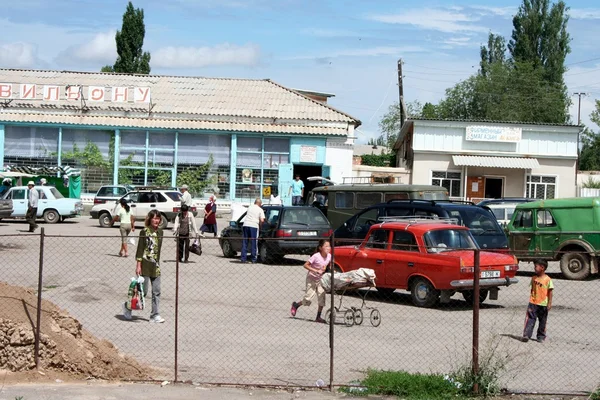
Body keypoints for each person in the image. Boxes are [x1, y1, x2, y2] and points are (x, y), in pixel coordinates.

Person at [126, 210, 165, 323]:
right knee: (143, 291)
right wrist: (138, 265)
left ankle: (155, 314)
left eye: (158, 218)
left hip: (156, 266)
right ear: (150, 219)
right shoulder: (144, 231)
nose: (156, 221)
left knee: (156, 291)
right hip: (145, 265)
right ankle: (128, 307)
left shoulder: (161, 232)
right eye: (154, 218)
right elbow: (140, 249)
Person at [290, 239, 332, 323]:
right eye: (326, 246)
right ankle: (296, 305)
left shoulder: (330, 256)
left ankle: (318, 317)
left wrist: (330, 272)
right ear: (320, 248)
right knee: (308, 299)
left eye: (329, 246)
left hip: (321, 280)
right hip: (311, 279)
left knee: (321, 298)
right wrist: (315, 270)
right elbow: (305, 265)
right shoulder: (316, 256)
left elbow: (328, 266)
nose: (328, 248)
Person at [522, 259, 554, 343]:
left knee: (542, 321)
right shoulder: (534, 278)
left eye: (536, 266)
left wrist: (549, 303)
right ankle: (526, 335)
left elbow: (550, 292)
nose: (534, 268)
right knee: (530, 319)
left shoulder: (548, 280)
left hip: (543, 304)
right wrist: (531, 299)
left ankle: (541, 336)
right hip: (533, 303)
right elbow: (532, 289)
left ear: (542, 267)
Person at [241, 198, 265, 263]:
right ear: (260, 204)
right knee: (254, 242)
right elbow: (262, 220)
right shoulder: (260, 209)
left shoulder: (250, 207)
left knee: (245, 242)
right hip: (254, 226)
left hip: (246, 225)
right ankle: (253, 259)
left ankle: (243, 258)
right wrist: (260, 226)